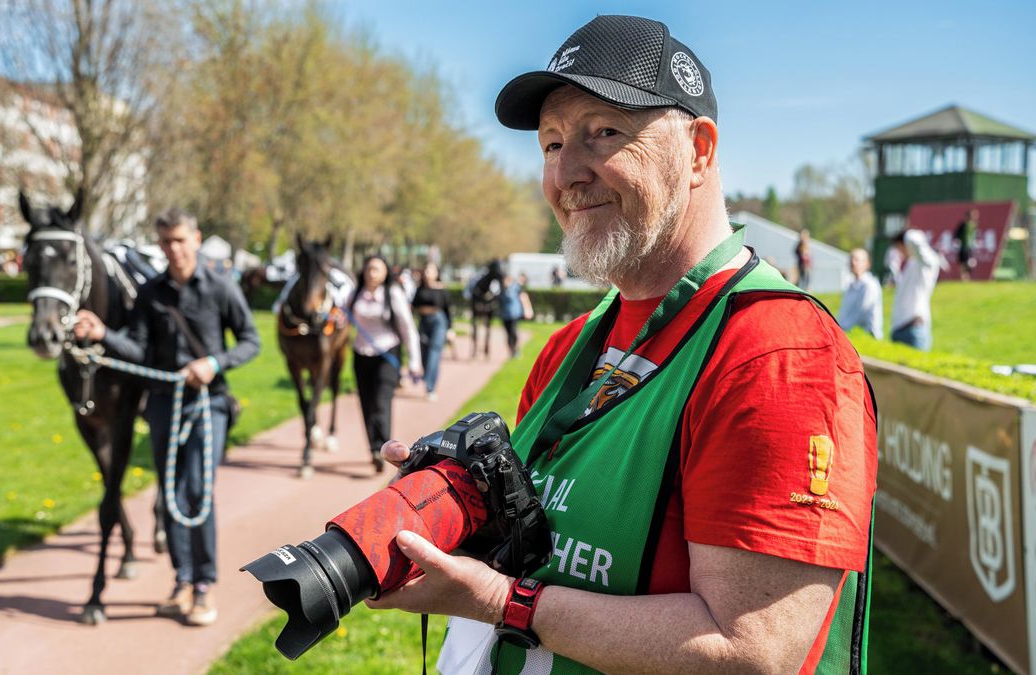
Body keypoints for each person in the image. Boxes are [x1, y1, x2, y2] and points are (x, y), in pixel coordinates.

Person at [367, 16, 876, 674]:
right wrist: (450, 513)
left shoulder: (781, 356)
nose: (565, 173)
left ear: (699, 150)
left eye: (603, 132)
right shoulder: (571, 347)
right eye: (551, 143)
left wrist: (499, 601)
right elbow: (548, 540)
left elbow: (752, 651)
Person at [73, 207, 260, 627]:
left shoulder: (220, 287)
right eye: (165, 241)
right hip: (163, 404)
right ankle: (182, 580)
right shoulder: (151, 293)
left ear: (196, 239)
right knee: (170, 495)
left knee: (197, 492)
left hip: (208, 403)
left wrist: (215, 362)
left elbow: (251, 340)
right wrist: (103, 335)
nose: (173, 249)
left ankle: (204, 586)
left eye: (180, 240)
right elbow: (140, 351)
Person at [348, 254, 421, 472]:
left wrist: (415, 361)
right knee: (366, 403)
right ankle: (373, 448)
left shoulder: (393, 294)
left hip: (387, 354)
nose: (372, 274)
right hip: (361, 354)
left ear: (385, 272)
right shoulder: (355, 294)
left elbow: (408, 327)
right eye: (369, 269)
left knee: (381, 402)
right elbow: (341, 313)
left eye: (377, 269)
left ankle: (384, 447)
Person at [889, 228, 941, 351]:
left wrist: (907, 235)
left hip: (914, 329)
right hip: (899, 329)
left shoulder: (924, 264)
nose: (899, 252)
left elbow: (916, 242)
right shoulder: (910, 265)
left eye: (899, 247)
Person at [411, 261, 455, 401]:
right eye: (426, 270)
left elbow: (448, 310)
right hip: (424, 321)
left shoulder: (442, 290)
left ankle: (430, 387)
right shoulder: (420, 289)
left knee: (434, 352)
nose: (427, 273)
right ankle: (428, 377)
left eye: (430, 270)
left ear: (436, 273)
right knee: (424, 352)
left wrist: (450, 329)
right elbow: (414, 306)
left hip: (439, 322)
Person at [836, 248, 883, 339]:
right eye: (851, 259)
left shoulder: (870, 285)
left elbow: (862, 313)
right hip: (848, 334)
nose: (853, 262)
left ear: (867, 264)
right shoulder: (849, 286)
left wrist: (844, 329)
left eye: (857, 260)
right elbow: (844, 313)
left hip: (867, 336)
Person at [498, 273, 526, 358]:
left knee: (513, 332)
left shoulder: (516, 288)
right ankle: (511, 350)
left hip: (514, 314)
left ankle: (515, 350)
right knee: (508, 334)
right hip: (505, 315)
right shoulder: (501, 290)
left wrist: (527, 309)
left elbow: (523, 297)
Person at [954, 208, 978, 281]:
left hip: (970, 248)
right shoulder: (963, 225)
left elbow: (973, 236)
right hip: (963, 247)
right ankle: (964, 277)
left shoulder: (973, 225)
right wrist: (958, 241)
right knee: (963, 262)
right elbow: (956, 234)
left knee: (969, 262)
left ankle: (966, 276)